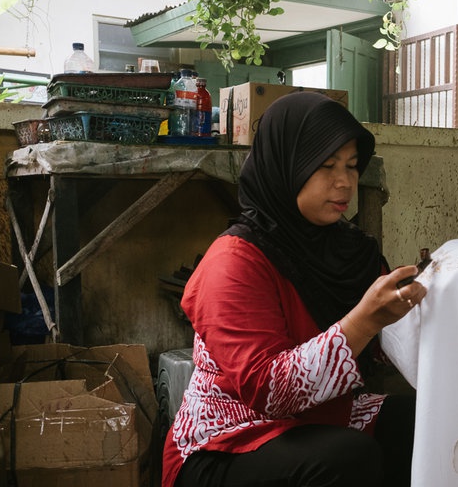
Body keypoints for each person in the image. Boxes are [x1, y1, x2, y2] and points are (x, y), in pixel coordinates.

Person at [162, 92, 423, 487]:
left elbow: (385, 349)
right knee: (348, 457)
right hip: (228, 441)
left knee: (427, 420)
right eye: (325, 165)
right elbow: (270, 392)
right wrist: (363, 321)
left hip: (322, 417)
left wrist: (434, 297)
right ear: (286, 166)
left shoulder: (353, 252)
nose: (344, 181)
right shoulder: (233, 261)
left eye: (353, 166)